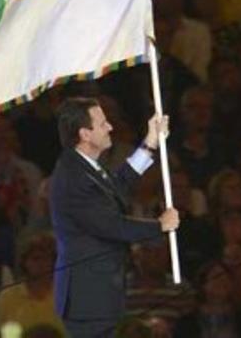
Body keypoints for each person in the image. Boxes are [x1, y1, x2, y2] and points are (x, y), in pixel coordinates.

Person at [49, 97, 179, 337]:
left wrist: (150, 142)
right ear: (85, 134)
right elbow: (112, 226)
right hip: (87, 299)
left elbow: (119, 184)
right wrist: (159, 226)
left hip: (97, 295)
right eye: (102, 123)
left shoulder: (84, 167)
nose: (110, 127)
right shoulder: (74, 177)